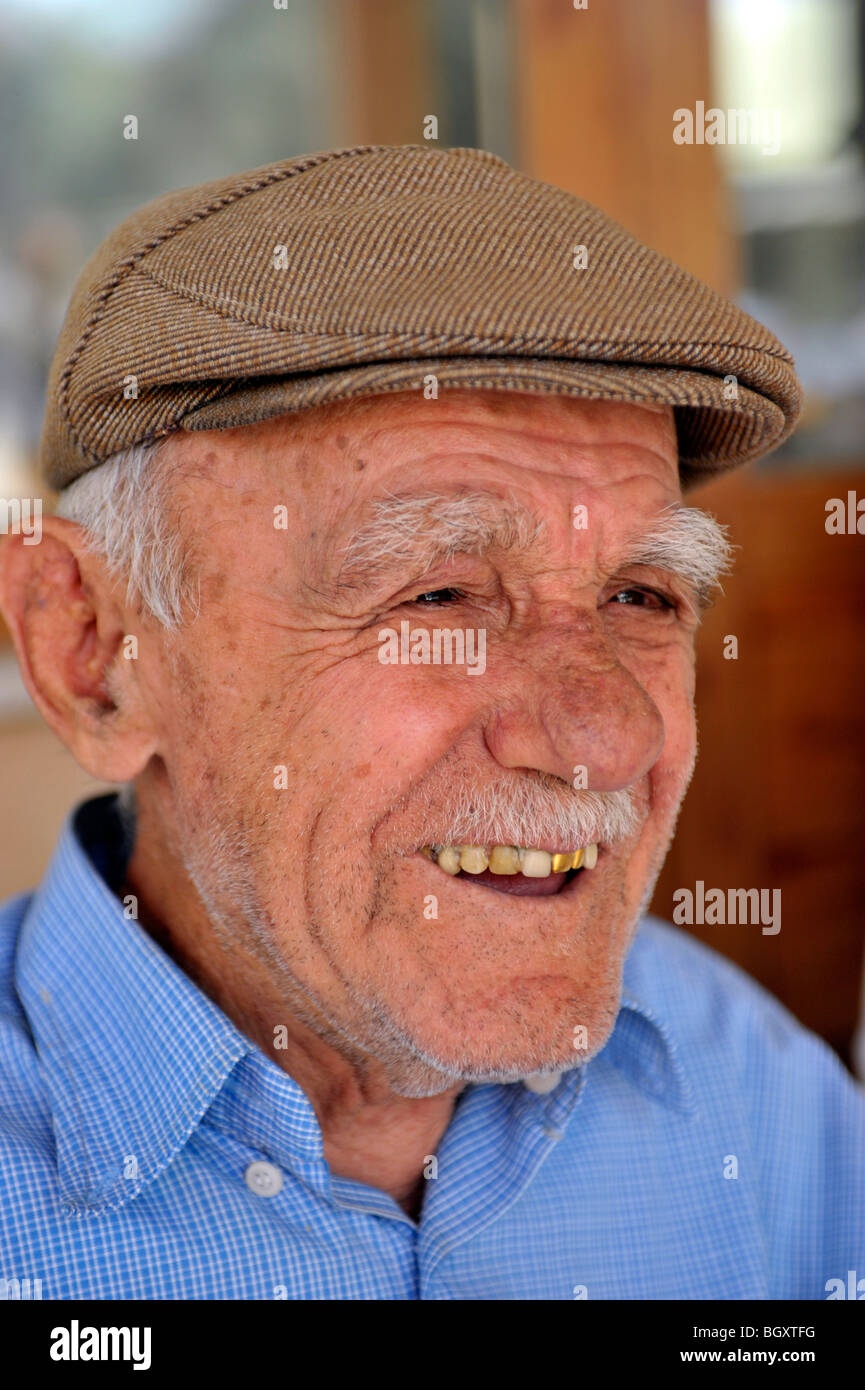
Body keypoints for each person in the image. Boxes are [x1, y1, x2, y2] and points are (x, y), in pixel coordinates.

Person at [0, 145, 861, 1301]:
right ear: (91, 651)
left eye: (641, 596)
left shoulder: (757, 1095)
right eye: (437, 593)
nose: (605, 739)